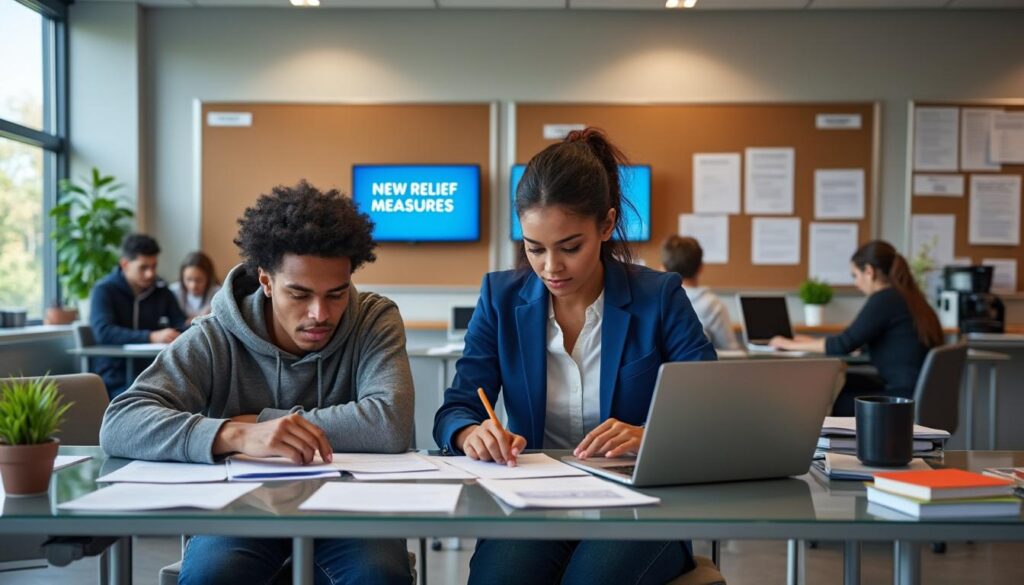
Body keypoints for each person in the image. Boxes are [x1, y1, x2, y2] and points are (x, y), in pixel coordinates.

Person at [433, 128, 716, 585]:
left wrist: (650, 435)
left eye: (570, 247)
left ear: (605, 226)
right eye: (534, 248)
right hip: (533, 502)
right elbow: (457, 406)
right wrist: (470, 433)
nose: (550, 267)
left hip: (638, 504)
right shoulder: (500, 298)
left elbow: (709, 405)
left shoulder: (658, 296)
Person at [100, 181, 414, 585]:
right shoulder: (216, 335)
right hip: (239, 508)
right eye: (299, 294)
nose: (320, 313)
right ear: (265, 281)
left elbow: (390, 424)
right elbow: (121, 421)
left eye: (336, 294)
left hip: (353, 509)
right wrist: (237, 435)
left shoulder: (373, 320)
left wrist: (264, 420)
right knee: (212, 578)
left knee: (379, 577)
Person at [769, 240, 944, 415]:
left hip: (899, 398)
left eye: (855, 275)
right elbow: (858, 341)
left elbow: (843, 344)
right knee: (841, 384)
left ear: (869, 271)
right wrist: (810, 342)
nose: (856, 283)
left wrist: (789, 344)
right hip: (911, 393)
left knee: (831, 395)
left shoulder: (885, 299)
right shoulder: (906, 297)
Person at [90, 233, 186, 399]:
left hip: (154, 372)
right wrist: (151, 336)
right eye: (143, 267)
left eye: (154, 266)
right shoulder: (104, 290)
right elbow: (104, 332)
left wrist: (180, 332)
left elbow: (180, 323)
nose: (150, 274)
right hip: (114, 375)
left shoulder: (162, 291)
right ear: (125, 264)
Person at [661, 235, 741, 351]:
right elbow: (731, 350)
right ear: (701, 267)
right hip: (703, 367)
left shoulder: (660, 302)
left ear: (663, 269)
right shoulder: (714, 304)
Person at [169, 251, 222, 324]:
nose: (193, 286)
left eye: (199, 280)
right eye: (188, 279)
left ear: (208, 278)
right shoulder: (174, 291)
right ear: (182, 277)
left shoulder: (218, 293)